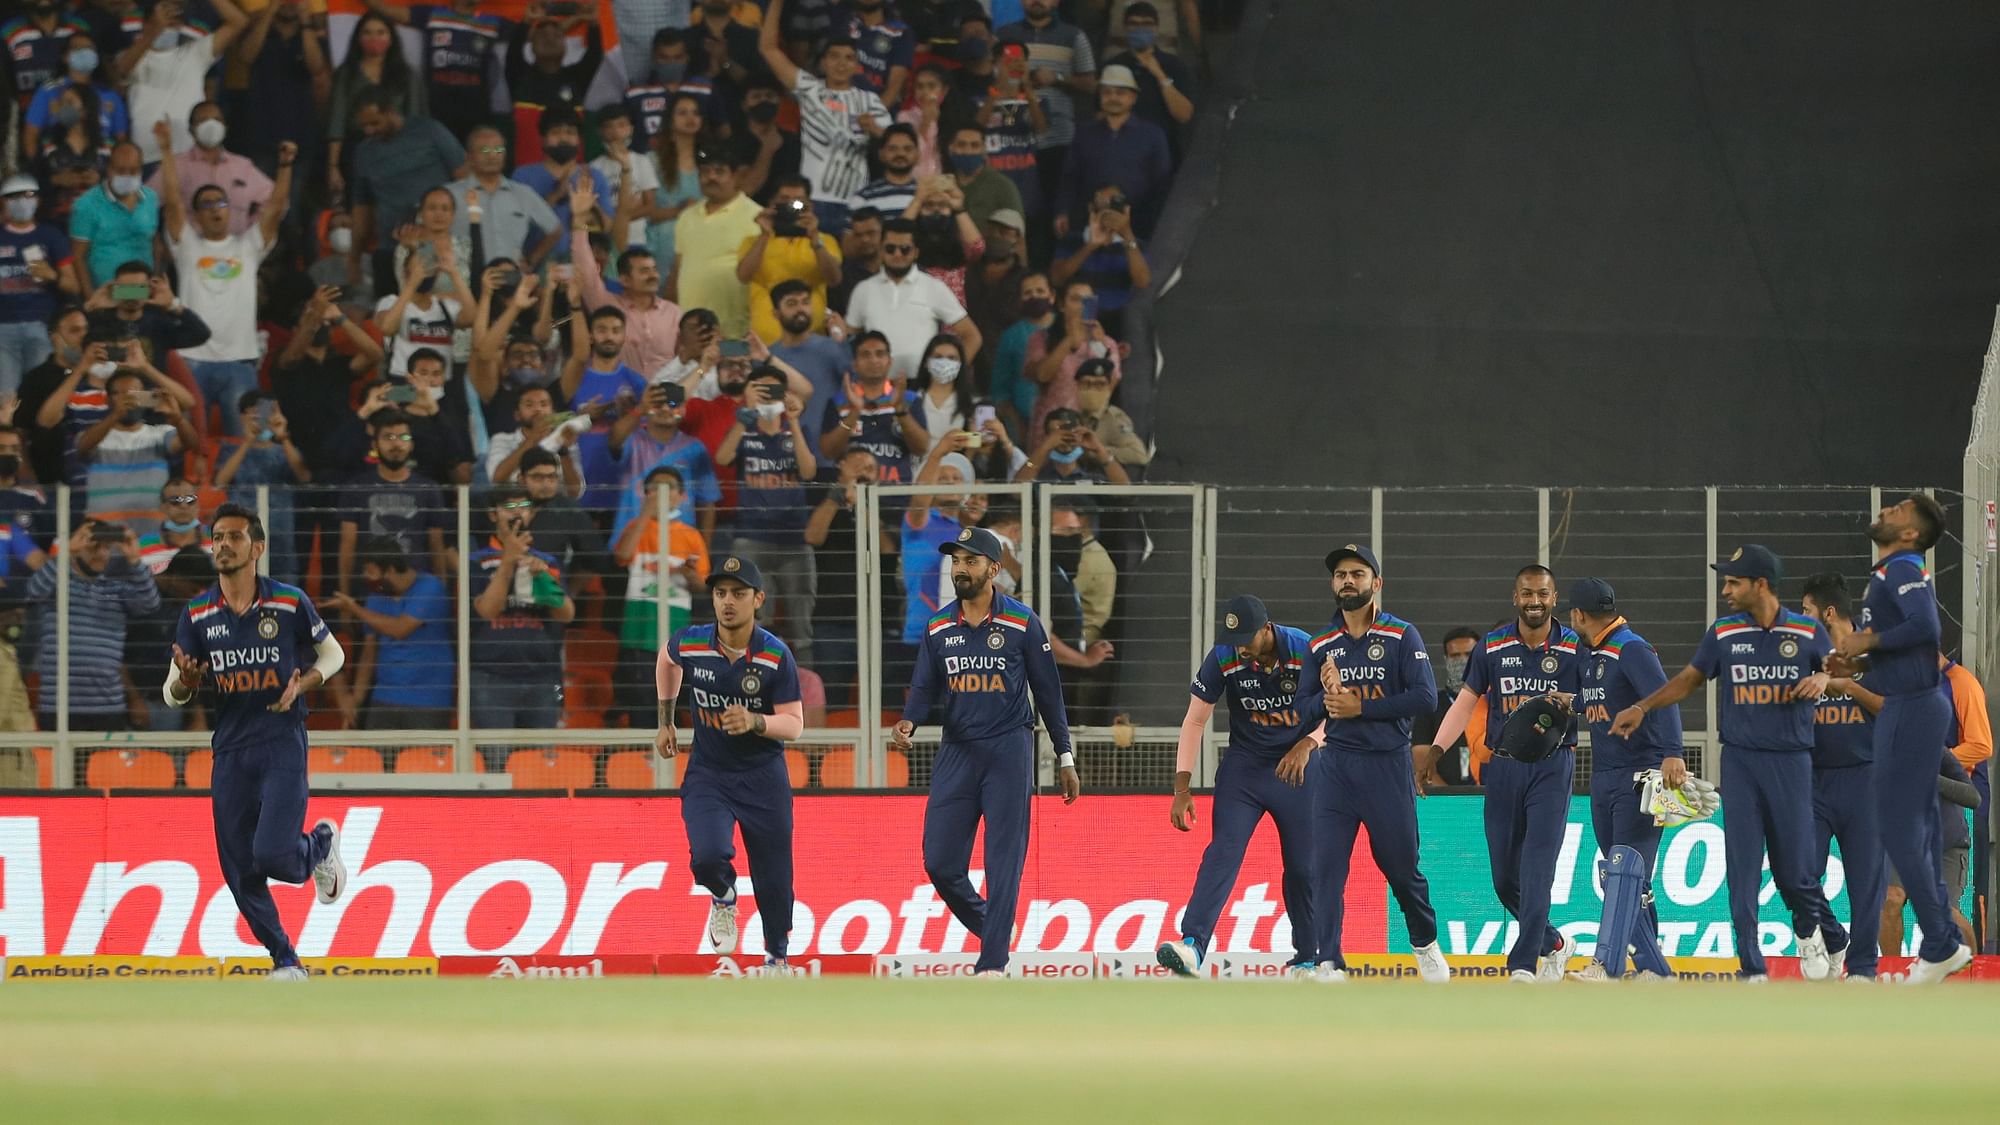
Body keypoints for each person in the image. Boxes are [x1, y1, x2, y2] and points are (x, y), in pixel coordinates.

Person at [1610, 544, 1840, 980]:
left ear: (1762, 585)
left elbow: (1837, 668)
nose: (1726, 589)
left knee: (1795, 874)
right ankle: (1752, 968)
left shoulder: (1808, 633)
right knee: (1743, 870)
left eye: (1735, 581)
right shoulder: (1724, 632)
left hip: (1792, 763)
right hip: (1740, 761)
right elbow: (1688, 680)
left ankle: (1812, 930)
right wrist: (1642, 707)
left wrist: (1825, 676)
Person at [163, 503, 348, 980]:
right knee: (239, 870)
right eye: (217, 537)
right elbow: (172, 694)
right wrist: (185, 681)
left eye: (235, 537)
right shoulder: (198, 613)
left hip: (282, 741)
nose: (223, 544)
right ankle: (285, 959)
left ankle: (319, 845)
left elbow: (334, 653)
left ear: (257, 548)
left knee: (273, 856)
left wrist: (304, 683)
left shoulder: (287, 602)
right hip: (229, 750)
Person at [891, 526, 1078, 974]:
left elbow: (1049, 693)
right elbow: (923, 687)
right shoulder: (938, 626)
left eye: (971, 561)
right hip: (957, 751)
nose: (960, 569)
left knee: (1002, 862)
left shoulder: (1021, 622)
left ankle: (992, 964)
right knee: (939, 861)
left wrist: (1065, 755)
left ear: (994, 569)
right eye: (956, 561)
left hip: (1008, 750)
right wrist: (909, 720)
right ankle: (994, 926)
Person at [1286, 544, 1450, 983]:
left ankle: (1425, 944)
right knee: (1325, 869)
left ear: (1376, 583)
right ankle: (1328, 961)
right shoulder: (1321, 643)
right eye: (1340, 574)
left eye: (1357, 574)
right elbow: (1302, 707)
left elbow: (1425, 698)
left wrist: (1361, 708)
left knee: (1401, 868)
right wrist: (1327, 699)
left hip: (1386, 767)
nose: (1347, 581)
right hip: (1336, 768)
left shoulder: (1401, 635)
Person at [1421, 566, 1585, 983]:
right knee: (1503, 878)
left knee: (1536, 870)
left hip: (1552, 766)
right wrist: (1436, 750)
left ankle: (1523, 966)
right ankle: (1556, 944)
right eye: (1527, 593)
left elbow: (1598, 700)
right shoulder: (1492, 646)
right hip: (1504, 766)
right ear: (1515, 597)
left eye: (1543, 594)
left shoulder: (1573, 646)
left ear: (1554, 597)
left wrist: (1573, 702)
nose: (1535, 601)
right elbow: (1464, 703)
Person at [1829, 494, 1970, 982]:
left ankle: (1940, 942)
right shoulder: (1887, 575)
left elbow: (1927, 627)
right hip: (1909, 703)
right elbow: (1901, 643)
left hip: (1911, 706)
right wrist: (1857, 663)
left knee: (1897, 826)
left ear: (1911, 533)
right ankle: (1939, 945)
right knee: (1916, 827)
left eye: (1900, 511)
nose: (1886, 511)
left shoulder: (1903, 567)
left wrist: (1868, 642)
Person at [1156, 595, 1317, 978]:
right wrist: (1182, 788)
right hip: (1245, 768)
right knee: (1223, 851)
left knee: (1303, 867)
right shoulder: (1224, 656)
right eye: (1235, 639)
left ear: (1268, 628)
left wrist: (1307, 744)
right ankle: (1193, 945)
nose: (1242, 647)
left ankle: (1308, 958)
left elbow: (1337, 713)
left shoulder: (1306, 650)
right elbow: (1195, 720)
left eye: (1249, 638)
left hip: (1298, 767)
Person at [655, 554, 804, 966]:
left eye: (738, 594)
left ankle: (777, 959)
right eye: (721, 593)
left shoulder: (775, 655)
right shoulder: (691, 642)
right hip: (710, 772)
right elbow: (666, 661)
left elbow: (794, 725)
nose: (727, 602)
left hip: (763, 775)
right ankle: (723, 897)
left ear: (758, 599)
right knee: (706, 855)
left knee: (775, 879)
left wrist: (756, 721)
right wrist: (666, 721)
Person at [1561, 578, 1687, 980]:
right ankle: (1655, 971)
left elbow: (1664, 698)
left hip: (1643, 775)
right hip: (1604, 776)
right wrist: (1570, 703)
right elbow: (1600, 698)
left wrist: (1673, 753)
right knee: (1627, 877)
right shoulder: (1590, 653)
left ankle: (1606, 965)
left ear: (1578, 614)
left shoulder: (1631, 648)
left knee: (1624, 869)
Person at [158, 130, 293, 438]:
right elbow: (173, 204)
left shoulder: (248, 246)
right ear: (197, 217)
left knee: (249, 442)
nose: (215, 207)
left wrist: (285, 166)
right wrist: (167, 152)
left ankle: (244, 490)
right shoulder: (187, 246)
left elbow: (275, 208)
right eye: (206, 204)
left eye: (220, 201)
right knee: (190, 442)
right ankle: (192, 491)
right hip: (192, 358)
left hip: (240, 361)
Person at [1799, 571, 1885, 981]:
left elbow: (1894, 708)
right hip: (1813, 782)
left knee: (1866, 884)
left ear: (1828, 612)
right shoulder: (1801, 655)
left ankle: (1863, 970)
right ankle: (1835, 937)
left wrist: (1847, 687)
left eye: (1806, 611)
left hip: (1865, 779)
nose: (1801, 619)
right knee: (1799, 873)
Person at [759, 0, 890, 235]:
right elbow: (768, 48)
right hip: (811, 201)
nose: (841, 63)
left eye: (848, 58)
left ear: (856, 65)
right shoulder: (811, 89)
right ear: (824, 62)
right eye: (835, 56)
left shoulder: (870, 101)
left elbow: (895, 146)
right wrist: (776, 4)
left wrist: (875, 130)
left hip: (855, 202)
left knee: (848, 269)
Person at [715, 365, 818, 664]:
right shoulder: (744, 431)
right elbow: (722, 458)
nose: (767, 394)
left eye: (774, 388)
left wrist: (795, 422)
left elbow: (809, 471)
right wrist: (744, 417)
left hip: (794, 540)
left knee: (801, 629)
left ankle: (804, 696)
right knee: (753, 625)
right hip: (751, 537)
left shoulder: (798, 430)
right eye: (760, 387)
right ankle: (754, 685)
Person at [29, 518, 159, 731]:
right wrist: (66, 551)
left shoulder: (116, 589)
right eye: (93, 547)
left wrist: (135, 560)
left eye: (106, 548)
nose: (100, 554)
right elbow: (35, 590)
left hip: (107, 708)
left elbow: (149, 604)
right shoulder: (57, 583)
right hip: (58, 708)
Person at [470, 483, 576, 744]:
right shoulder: (475, 562)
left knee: (538, 764)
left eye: (523, 506)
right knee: (496, 762)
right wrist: (508, 561)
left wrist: (543, 579)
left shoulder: (547, 561)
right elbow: (487, 610)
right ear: (493, 514)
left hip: (542, 675)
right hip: (490, 676)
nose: (517, 512)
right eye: (509, 507)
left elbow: (566, 614)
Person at [323, 536, 455, 731]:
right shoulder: (375, 598)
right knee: (375, 760)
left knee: (422, 761)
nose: (367, 577)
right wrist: (355, 700)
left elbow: (400, 628)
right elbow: (369, 653)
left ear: (391, 570)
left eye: (371, 572)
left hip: (428, 700)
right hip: (384, 698)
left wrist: (354, 609)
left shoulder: (430, 588)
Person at [346, 88, 466, 295]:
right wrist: (354, 255)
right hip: (389, 248)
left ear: (391, 111)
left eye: (375, 123)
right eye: (363, 126)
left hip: (439, 246)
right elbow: (362, 208)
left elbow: (465, 177)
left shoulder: (430, 131)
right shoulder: (363, 153)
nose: (369, 131)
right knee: (388, 316)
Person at [616, 465, 711, 726]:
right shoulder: (636, 527)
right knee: (642, 709)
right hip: (639, 630)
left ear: (682, 495)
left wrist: (689, 573)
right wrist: (646, 515)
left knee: (673, 709)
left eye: (669, 488)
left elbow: (701, 584)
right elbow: (622, 556)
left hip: (676, 631)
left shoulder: (691, 536)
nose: (662, 494)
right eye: (655, 488)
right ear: (645, 493)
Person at [843, 218, 980, 381]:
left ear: (916, 252)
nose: (897, 254)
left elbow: (972, 336)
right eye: (890, 248)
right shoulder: (863, 290)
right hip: (878, 387)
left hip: (923, 386)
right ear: (880, 250)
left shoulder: (934, 287)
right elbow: (849, 342)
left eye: (905, 249)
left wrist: (949, 378)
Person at [118, 0, 250, 167]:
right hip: (147, 158)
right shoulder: (134, 57)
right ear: (145, 25)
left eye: (173, 23)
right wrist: (153, 33)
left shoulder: (195, 53)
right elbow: (122, 69)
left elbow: (238, 22)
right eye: (162, 22)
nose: (167, 27)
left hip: (191, 158)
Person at [995, 0, 1095, 219]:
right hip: (1012, 139)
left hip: (1057, 139)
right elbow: (992, 77)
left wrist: (1057, 78)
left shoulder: (1074, 35)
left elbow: (1090, 84)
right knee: (1012, 210)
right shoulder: (1003, 34)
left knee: (1053, 211)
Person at [572, 182, 684, 377]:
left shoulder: (674, 313)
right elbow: (586, 271)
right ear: (624, 280)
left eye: (653, 269)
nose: (653, 275)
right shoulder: (607, 305)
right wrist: (580, 220)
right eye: (643, 271)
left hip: (665, 400)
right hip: (620, 398)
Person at [335, 409, 449, 597]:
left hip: (417, 592)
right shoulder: (356, 488)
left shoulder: (429, 489)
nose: (396, 443)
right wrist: (346, 600)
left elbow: (437, 547)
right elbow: (347, 548)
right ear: (375, 444)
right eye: (388, 437)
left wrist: (441, 596)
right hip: (368, 590)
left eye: (403, 437)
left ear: (411, 444)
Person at [359, 0, 511, 141]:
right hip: (437, 113)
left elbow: (527, 33)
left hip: (478, 115)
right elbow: (388, 11)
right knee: (441, 162)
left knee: (485, 154)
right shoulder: (431, 14)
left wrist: (531, 20)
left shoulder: (494, 22)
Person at [1054, 65, 1170, 239]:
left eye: (1120, 92)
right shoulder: (1084, 133)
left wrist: (1122, 193)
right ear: (1100, 97)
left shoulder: (1153, 135)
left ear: (1133, 97)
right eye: (1106, 92)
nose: (1113, 97)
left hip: (1138, 224)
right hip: (1088, 224)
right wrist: (1062, 211)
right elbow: (1070, 177)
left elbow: (1163, 183)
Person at [803, 447, 880, 709]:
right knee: (831, 698)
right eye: (857, 464)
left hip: (875, 622)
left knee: (877, 702)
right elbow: (813, 536)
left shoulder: (883, 505)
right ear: (841, 465)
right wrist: (840, 492)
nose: (862, 471)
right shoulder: (826, 502)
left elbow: (883, 545)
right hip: (830, 620)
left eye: (869, 467)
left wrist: (862, 501)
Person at [79, 366, 195, 535]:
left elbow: (190, 443)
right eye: (123, 393)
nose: (130, 399)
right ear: (109, 399)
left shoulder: (160, 434)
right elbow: (82, 447)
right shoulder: (96, 436)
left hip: (153, 537)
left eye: (136, 393)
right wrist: (115, 416)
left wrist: (178, 419)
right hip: (104, 539)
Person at [668, 145, 762, 338]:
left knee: (733, 369)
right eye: (705, 172)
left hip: (736, 331)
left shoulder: (757, 217)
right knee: (695, 369)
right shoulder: (687, 216)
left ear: (736, 176)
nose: (711, 177)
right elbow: (677, 271)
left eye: (720, 172)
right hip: (691, 333)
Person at [144, 102, 275, 239]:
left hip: (237, 251)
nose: (211, 125)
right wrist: (155, 238)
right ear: (191, 129)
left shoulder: (243, 166)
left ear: (225, 127)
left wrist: (254, 232)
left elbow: (275, 201)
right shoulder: (176, 166)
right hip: (189, 253)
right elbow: (144, 204)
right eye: (203, 120)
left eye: (217, 120)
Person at [737, 176, 843, 344]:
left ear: (809, 206)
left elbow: (834, 279)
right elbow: (743, 276)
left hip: (811, 341)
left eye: (798, 202)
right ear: (772, 204)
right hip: (765, 344)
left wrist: (814, 237)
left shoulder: (824, 240)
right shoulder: (753, 241)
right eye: (784, 201)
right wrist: (765, 235)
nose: (791, 207)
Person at [0, 174, 78, 397]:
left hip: (41, 325)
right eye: (13, 197)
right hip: (3, 326)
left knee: (40, 394)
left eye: (28, 195)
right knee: (7, 397)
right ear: (3, 201)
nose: (22, 201)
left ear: (38, 200)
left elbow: (73, 286)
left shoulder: (51, 236)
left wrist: (51, 275)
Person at [447, 126, 563, 267]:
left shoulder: (522, 193)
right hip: (464, 281)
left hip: (511, 281)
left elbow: (555, 230)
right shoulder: (450, 194)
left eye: (499, 150)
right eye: (484, 150)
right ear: (469, 157)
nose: (492, 155)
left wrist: (531, 261)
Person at [515, 107, 618, 264]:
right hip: (536, 266)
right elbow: (516, 225)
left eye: (570, 133)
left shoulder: (595, 176)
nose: (563, 138)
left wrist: (588, 201)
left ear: (579, 139)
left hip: (584, 266)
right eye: (556, 133)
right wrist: (556, 195)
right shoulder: (523, 176)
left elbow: (607, 227)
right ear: (542, 139)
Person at [1048, 188, 1150, 338]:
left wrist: (1127, 235)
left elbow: (1143, 281)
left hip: (1117, 323)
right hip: (1075, 322)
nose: (1109, 210)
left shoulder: (1136, 246)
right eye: (1103, 203)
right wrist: (1090, 246)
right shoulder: (1072, 240)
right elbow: (1056, 278)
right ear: (1091, 208)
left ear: (1126, 210)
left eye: (1115, 204)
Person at [21, 30, 129, 168]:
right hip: (58, 169)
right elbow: (30, 136)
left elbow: (121, 141)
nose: (85, 52)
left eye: (90, 49)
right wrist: (41, 174)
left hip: (100, 172)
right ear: (65, 56)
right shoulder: (48, 91)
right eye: (78, 48)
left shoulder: (110, 95)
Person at [1102, 2, 1196, 158]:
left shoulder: (1174, 66)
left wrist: (1160, 75)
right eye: (1134, 24)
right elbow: (1100, 114)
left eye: (1147, 24)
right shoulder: (1113, 66)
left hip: (1163, 149)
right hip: (1121, 149)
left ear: (1156, 28)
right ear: (1125, 28)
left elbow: (1184, 115)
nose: (1140, 29)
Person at [67, 143, 159, 292]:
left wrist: (155, 280)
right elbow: (78, 257)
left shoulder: (151, 198)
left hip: (143, 293)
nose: (127, 175)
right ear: (109, 169)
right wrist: (90, 299)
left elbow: (155, 242)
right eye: (121, 170)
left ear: (141, 170)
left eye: (133, 170)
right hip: (106, 294)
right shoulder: (85, 205)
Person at [768, 279, 848, 435]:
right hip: (782, 449)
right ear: (776, 313)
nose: (800, 309)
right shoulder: (768, 357)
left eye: (805, 302)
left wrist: (843, 345)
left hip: (827, 447)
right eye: (792, 304)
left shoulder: (832, 349)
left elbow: (856, 386)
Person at [851, 124, 922, 218]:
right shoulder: (863, 198)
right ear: (881, 154)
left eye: (907, 149)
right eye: (893, 149)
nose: (900, 154)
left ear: (918, 155)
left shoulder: (926, 195)